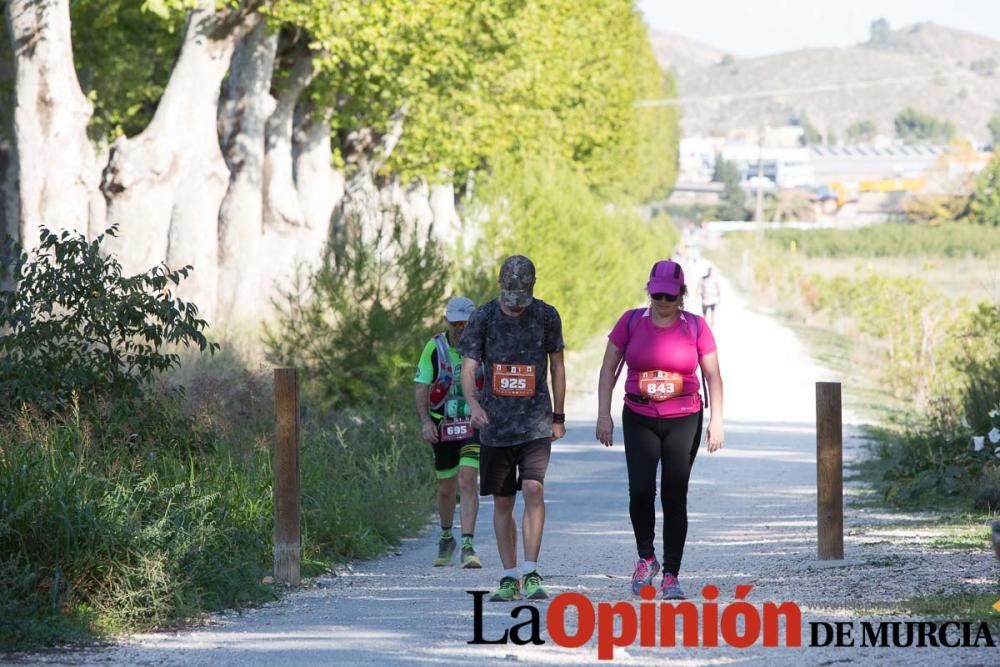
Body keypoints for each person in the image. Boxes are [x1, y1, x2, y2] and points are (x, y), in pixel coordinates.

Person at [596, 259, 724, 600]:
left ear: (681, 295)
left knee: (674, 493)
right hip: (639, 414)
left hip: (684, 416)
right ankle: (646, 557)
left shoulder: (695, 327)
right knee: (640, 491)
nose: (662, 302)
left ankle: (671, 574)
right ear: (649, 292)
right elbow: (609, 367)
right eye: (657, 295)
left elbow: (712, 375)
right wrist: (603, 415)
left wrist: (717, 420)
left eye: (669, 296)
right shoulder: (631, 321)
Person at [459, 255, 566, 602]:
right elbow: (469, 365)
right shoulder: (484, 317)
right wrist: (474, 405)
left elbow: (557, 366)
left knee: (533, 489)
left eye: (521, 297)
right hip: (495, 425)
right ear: (500, 287)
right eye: (510, 297)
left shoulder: (547, 315)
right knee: (503, 500)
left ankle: (531, 571)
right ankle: (509, 576)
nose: (515, 304)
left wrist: (559, 416)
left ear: (532, 288)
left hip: (535, 421)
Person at [414, 296, 482, 568]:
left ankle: (467, 544)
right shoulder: (435, 347)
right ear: (447, 322)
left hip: (472, 423)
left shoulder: (483, 346)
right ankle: (446, 538)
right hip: (443, 423)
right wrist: (425, 422)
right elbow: (421, 386)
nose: (461, 328)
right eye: (456, 323)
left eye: (466, 323)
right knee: (445, 488)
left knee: (467, 478)